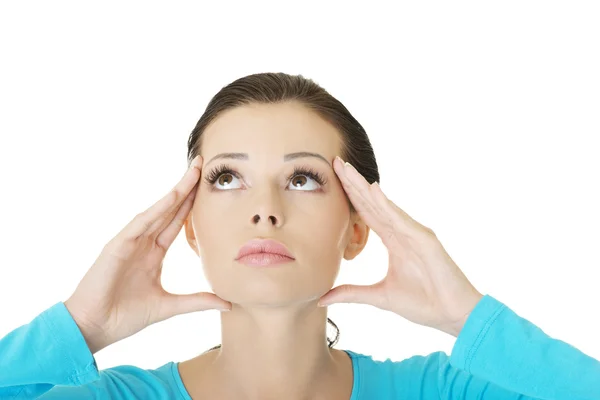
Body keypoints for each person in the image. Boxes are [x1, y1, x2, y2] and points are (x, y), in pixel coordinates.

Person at [1, 72, 598, 400]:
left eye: (304, 178)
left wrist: (466, 318)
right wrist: (80, 328)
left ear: (358, 228)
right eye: (229, 177)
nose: (265, 209)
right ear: (188, 226)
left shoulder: (444, 392)